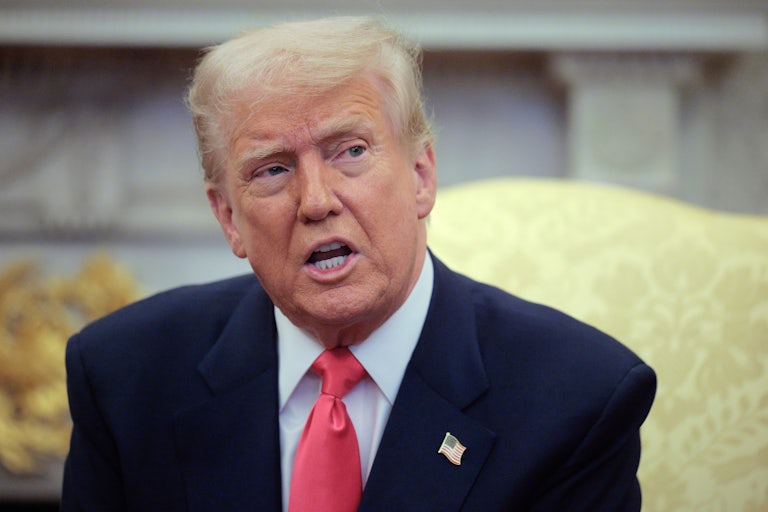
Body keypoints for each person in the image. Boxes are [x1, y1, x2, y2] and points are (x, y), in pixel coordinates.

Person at [61, 16, 656, 512]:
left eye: (350, 151)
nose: (316, 201)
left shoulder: (579, 399)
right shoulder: (123, 376)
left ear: (421, 176)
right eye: (272, 169)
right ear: (229, 219)